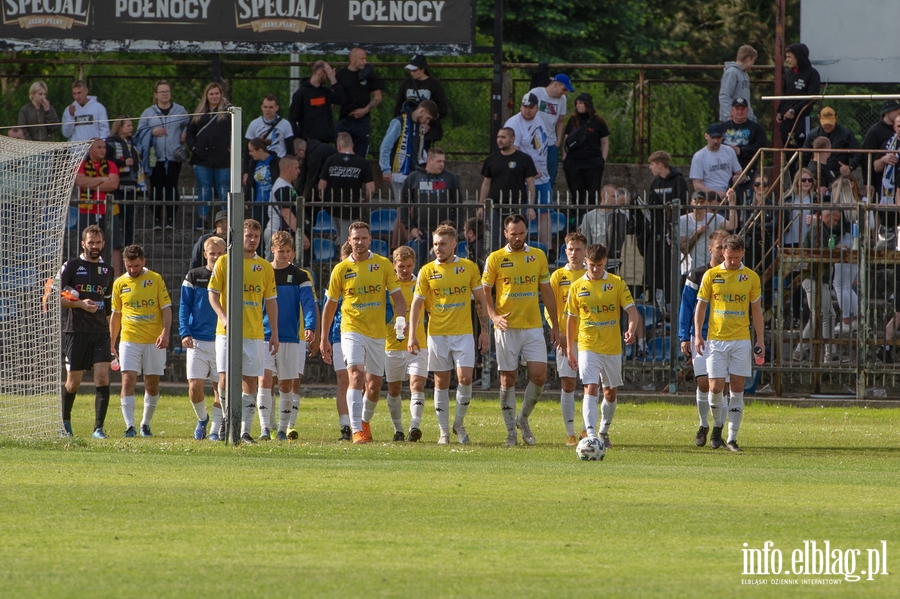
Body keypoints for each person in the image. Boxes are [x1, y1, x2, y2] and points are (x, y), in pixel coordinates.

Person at [320, 222, 406, 444]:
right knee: (355, 375)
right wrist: (324, 338)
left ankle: (364, 422)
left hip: (377, 333)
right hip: (351, 328)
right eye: (355, 238)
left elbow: (397, 297)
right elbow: (330, 305)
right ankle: (356, 429)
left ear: (370, 240)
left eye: (363, 238)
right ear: (349, 241)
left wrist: (400, 322)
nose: (359, 242)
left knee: (375, 386)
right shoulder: (340, 270)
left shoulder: (383, 265)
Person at [481, 214, 559, 446]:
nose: (517, 237)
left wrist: (555, 325)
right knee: (508, 379)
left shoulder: (538, 256)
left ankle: (522, 419)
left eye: (521, 233)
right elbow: (485, 291)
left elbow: (546, 292)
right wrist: (493, 316)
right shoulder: (495, 258)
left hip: (533, 326)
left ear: (527, 232)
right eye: (513, 233)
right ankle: (510, 433)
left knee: (539, 375)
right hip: (506, 326)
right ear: (505, 234)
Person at [408, 225, 490, 444]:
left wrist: (484, 331)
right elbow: (417, 304)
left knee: (465, 378)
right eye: (435, 244)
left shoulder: (469, 268)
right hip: (437, 334)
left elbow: (480, 301)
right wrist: (412, 335)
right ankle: (444, 432)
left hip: (463, 333)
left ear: (454, 244)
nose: (438, 248)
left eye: (443, 244)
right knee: (440, 382)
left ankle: (458, 424)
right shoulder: (426, 271)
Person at [208, 219, 279, 445]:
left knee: (250, 380)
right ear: (239, 236)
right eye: (248, 235)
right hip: (226, 332)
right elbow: (212, 294)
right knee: (225, 378)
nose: (252, 240)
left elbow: (271, 302)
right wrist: (223, 316)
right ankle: (225, 424)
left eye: (256, 237)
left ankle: (244, 430)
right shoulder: (225, 262)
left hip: (254, 332)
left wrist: (274, 332)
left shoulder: (265, 267)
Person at [693, 235, 764, 452]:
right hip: (716, 340)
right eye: (729, 256)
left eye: (736, 257)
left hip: (741, 340)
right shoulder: (711, 275)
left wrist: (759, 339)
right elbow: (701, 307)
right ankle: (716, 427)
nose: (732, 261)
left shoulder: (750, 277)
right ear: (722, 252)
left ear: (742, 253)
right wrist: (697, 334)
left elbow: (756, 310)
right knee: (715, 388)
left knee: (737, 388)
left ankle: (732, 438)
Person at [566, 243, 639, 447]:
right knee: (590, 386)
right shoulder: (577, 287)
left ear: (605, 262)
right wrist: (571, 350)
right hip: (587, 344)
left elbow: (632, 312)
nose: (595, 269)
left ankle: (603, 430)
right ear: (586, 262)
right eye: (591, 265)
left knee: (610, 392)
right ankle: (590, 435)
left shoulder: (616, 283)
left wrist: (631, 330)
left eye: (599, 265)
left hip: (612, 347)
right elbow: (571, 319)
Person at [258, 231, 318, 441]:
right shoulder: (263, 272)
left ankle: (282, 429)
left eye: (287, 251)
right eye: (279, 251)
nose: (283, 255)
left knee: (286, 384)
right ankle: (265, 428)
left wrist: (310, 325)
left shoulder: (301, 276)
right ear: (272, 250)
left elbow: (309, 303)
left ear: (292, 252)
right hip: (264, 335)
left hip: (291, 337)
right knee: (264, 380)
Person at [109, 245, 173, 438]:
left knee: (151, 384)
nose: (132, 270)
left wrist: (165, 332)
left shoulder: (155, 279)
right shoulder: (119, 283)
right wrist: (111, 343)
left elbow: (166, 309)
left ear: (143, 262)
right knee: (127, 380)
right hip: (129, 339)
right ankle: (130, 426)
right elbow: (116, 315)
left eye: (136, 265)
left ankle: (145, 423)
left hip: (154, 340)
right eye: (129, 266)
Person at [59, 225, 115, 438]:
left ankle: (98, 428)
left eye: (98, 242)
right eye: (91, 242)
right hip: (76, 331)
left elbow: (108, 307)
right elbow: (57, 297)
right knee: (73, 382)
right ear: (83, 243)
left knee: (102, 378)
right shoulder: (71, 266)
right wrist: (80, 304)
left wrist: (111, 338)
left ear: (103, 243)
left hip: (100, 332)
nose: (94, 246)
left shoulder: (108, 270)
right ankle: (65, 423)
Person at [678, 229, 728, 446]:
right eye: (719, 247)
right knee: (702, 383)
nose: (723, 252)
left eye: (726, 248)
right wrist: (684, 336)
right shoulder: (696, 275)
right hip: (701, 337)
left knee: (720, 387)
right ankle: (704, 424)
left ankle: (718, 427)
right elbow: (686, 307)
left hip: (727, 338)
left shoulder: (736, 276)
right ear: (710, 249)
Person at [179, 235, 225, 441]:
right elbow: (184, 306)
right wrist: (184, 332)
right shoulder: (193, 276)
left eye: (219, 253)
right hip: (196, 339)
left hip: (220, 339)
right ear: (205, 254)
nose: (215, 257)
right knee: (195, 386)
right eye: (212, 253)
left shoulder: (230, 276)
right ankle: (202, 419)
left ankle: (215, 431)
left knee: (219, 387)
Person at [382, 246, 428, 442]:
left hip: (419, 344)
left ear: (414, 265)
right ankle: (398, 429)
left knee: (417, 385)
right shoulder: (386, 287)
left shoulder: (421, 284)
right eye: (401, 266)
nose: (405, 270)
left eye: (409, 266)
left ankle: (414, 427)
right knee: (394, 389)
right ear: (394, 265)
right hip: (392, 346)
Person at [548, 232, 587, 445]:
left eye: (578, 249)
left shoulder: (591, 276)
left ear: (585, 251)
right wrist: (558, 330)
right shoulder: (557, 277)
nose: (574, 253)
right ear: (565, 251)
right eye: (570, 249)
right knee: (568, 384)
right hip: (566, 339)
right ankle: (570, 432)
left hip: (590, 339)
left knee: (590, 385)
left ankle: (586, 430)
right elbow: (550, 307)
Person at [136, 80, 189, 231]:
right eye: (161, 92)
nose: (164, 94)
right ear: (156, 95)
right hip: (155, 158)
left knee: (172, 188)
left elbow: (190, 124)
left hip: (174, 157)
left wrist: (185, 132)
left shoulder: (180, 110)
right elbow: (139, 132)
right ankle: (157, 220)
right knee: (156, 189)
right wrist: (152, 132)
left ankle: (171, 220)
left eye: (167, 91)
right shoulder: (148, 112)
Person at [640, 151, 687, 319]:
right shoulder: (655, 183)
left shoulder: (678, 181)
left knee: (671, 268)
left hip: (673, 231)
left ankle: (672, 304)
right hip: (658, 232)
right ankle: (659, 305)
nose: (650, 167)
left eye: (652, 164)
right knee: (656, 267)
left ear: (660, 164)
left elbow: (682, 206)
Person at [505, 93, 552, 250]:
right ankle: (518, 248)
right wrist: (530, 169)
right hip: (525, 178)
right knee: (521, 215)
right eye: (525, 107)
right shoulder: (514, 124)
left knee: (545, 212)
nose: (527, 111)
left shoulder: (540, 120)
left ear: (537, 108)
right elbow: (514, 151)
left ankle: (547, 249)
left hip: (543, 176)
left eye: (531, 107)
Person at [397, 146, 462, 261]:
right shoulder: (414, 177)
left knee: (446, 263)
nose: (442, 164)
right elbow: (403, 205)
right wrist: (411, 228)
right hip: (422, 231)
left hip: (445, 231)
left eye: (443, 161)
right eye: (439, 161)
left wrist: (455, 227)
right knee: (419, 265)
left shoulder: (450, 177)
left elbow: (459, 205)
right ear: (429, 161)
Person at [792, 210, 840, 362]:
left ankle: (804, 351)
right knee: (823, 315)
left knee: (825, 315)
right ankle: (828, 352)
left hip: (819, 278)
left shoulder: (821, 230)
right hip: (814, 278)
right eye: (835, 220)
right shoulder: (817, 230)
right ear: (827, 217)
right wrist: (835, 254)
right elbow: (817, 253)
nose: (836, 224)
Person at [478, 126, 537, 247]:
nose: (500, 140)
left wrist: (530, 207)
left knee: (516, 238)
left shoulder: (524, 159)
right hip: (494, 205)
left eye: (503, 137)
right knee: (493, 240)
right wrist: (481, 205)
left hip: (516, 205)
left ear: (512, 139)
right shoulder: (491, 159)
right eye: (498, 137)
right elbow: (486, 183)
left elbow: (530, 184)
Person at [186, 82, 232, 231]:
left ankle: (226, 219)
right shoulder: (199, 112)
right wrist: (194, 147)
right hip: (202, 158)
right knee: (204, 189)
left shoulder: (228, 112)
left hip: (222, 158)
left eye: (217, 93)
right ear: (206, 95)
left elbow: (235, 131)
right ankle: (203, 218)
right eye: (211, 94)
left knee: (224, 189)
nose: (214, 96)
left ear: (221, 94)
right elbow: (190, 132)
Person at [75, 138, 122, 278]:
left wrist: (92, 183)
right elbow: (80, 181)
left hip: (108, 211)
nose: (102, 150)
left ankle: (115, 277)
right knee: (86, 244)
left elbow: (113, 184)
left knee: (114, 245)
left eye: (104, 148)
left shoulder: (111, 164)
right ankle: (85, 275)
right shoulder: (82, 164)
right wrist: (103, 179)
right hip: (86, 209)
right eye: (99, 147)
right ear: (90, 149)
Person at [317, 132, 375, 243]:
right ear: (352, 145)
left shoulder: (331, 160)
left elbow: (321, 186)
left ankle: (343, 256)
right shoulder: (362, 162)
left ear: (338, 146)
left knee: (345, 238)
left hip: (333, 204)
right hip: (352, 206)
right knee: (347, 238)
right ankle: (344, 256)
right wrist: (365, 199)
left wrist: (323, 197)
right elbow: (371, 189)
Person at [379, 99, 438, 201]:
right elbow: (386, 146)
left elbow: (419, 150)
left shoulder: (419, 127)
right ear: (421, 111)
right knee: (403, 207)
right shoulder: (399, 122)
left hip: (414, 173)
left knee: (410, 207)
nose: (427, 122)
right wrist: (385, 168)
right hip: (399, 172)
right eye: (427, 118)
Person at [562, 92, 610, 208]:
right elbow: (566, 141)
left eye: (581, 103)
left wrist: (602, 160)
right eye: (577, 103)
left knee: (592, 194)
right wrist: (565, 160)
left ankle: (591, 218)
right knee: (576, 194)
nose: (578, 106)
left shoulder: (598, 122)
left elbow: (604, 142)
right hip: (574, 162)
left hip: (592, 162)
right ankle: (577, 220)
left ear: (588, 105)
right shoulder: (573, 121)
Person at [528, 73, 574, 187]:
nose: (564, 92)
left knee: (550, 173)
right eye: (563, 89)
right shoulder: (536, 93)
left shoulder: (562, 99)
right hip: (534, 140)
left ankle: (548, 197)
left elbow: (561, 120)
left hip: (551, 141)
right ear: (555, 84)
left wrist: (558, 141)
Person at [335, 47, 383, 157]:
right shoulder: (341, 74)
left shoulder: (369, 75)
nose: (364, 62)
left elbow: (378, 96)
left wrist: (365, 110)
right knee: (340, 153)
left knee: (360, 154)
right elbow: (334, 97)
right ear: (353, 60)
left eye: (365, 58)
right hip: (345, 119)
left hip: (362, 120)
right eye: (361, 59)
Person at [394, 54, 449, 148]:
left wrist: (430, 122)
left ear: (423, 69)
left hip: (427, 129)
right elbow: (399, 105)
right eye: (411, 71)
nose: (412, 73)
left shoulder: (434, 84)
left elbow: (442, 108)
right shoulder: (406, 84)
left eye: (415, 70)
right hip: (408, 126)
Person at [721, 97, 768, 202]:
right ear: (732, 110)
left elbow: (761, 146)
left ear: (747, 111)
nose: (739, 111)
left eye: (742, 109)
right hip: (725, 172)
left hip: (748, 172)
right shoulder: (723, 127)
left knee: (746, 202)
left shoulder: (756, 128)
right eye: (737, 109)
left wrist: (740, 150)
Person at [106, 116, 144, 245]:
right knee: (116, 218)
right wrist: (123, 163)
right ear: (120, 127)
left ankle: (128, 246)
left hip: (131, 184)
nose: (131, 128)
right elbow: (107, 161)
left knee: (129, 219)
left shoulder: (132, 144)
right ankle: (115, 244)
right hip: (117, 185)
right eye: (128, 125)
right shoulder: (111, 143)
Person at [776, 43, 821, 150]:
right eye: (786, 57)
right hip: (786, 118)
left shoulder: (812, 74)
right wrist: (779, 110)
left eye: (789, 57)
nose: (787, 60)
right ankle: (789, 166)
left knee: (803, 144)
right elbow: (786, 93)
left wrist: (794, 110)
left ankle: (802, 166)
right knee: (787, 145)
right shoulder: (789, 73)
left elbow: (812, 97)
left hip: (801, 117)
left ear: (798, 57)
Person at [678, 190, 736, 273]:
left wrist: (732, 202)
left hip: (710, 267)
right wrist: (696, 233)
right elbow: (683, 248)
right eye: (696, 202)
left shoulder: (714, 217)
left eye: (702, 202)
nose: (699, 205)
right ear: (691, 203)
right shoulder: (683, 220)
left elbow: (732, 225)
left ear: (707, 204)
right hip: (689, 269)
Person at [289, 60, 345, 144]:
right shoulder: (301, 94)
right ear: (320, 72)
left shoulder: (326, 92)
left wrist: (333, 80)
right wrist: (298, 139)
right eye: (327, 74)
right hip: (309, 141)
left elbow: (342, 100)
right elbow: (292, 119)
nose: (328, 77)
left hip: (326, 140)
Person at [803, 106, 861, 177]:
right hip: (818, 174)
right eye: (825, 123)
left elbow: (858, 154)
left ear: (836, 118)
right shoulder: (812, 134)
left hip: (838, 175)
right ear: (819, 119)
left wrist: (850, 167)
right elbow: (804, 157)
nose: (827, 126)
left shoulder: (846, 134)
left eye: (830, 123)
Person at [690, 123, 742, 199]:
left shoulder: (729, 151)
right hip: (709, 196)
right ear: (706, 136)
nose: (715, 141)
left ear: (722, 137)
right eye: (713, 137)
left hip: (729, 192)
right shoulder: (699, 156)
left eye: (718, 137)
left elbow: (741, 174)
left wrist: (738, 179)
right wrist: (715, 193)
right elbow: (697, 185)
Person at [265, 155, 303, 259]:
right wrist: (301, 234)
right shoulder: (282, 187)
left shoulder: (285, 186)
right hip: (276, 229)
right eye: (296, 168)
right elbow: (286, 213)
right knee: (272, 264)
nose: (298, 171)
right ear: (287, 168)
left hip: (277, 230)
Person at [862, 100, 900, 198]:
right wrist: (868, 182)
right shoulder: (874, 132)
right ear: (887, 112)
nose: (898, 112)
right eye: (895, 109)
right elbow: (867, 158)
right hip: (882, 181)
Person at [244, 94, 295, 160]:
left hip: (279, 162)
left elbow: (290, 149)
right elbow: (247, 150)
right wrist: (246, 169)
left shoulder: (285, 124)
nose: (268, 110)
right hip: (260, 162)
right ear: (261, 107)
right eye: (265, 107)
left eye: (271, 107)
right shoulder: (254, 124)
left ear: (276, 108)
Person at [244, 137, 279, 227]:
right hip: (258, 202)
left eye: (252, 151)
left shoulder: (276, 161)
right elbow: (250, 183)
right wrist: (247, 198)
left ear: (259, 151)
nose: (250, 154)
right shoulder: (253, 164)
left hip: (273, 202)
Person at [718, 45, 758, 122]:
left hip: (744, 118)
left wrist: (751, 116)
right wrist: (729, 115)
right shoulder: (731, 72)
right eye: (753, 60)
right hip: (734, 119)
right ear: (749, 59)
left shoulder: (745, 74)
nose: (753, 63)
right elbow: (724, 95)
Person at [295, 136, 338, 201]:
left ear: (302, 150)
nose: (297, 158)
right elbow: (302, 174)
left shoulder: (313, 156)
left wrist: (303, 199)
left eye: (296, 154)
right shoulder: (310, 150)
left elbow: (311, 179)